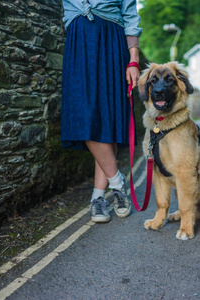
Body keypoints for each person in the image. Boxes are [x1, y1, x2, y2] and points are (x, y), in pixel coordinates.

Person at [61, 0, 142, 223]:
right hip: (79, 40)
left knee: (108, 118)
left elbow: (130, 15)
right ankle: (117, 182)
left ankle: (98, 197)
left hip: (112, 41)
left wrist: (133, 60)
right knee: (82, 115)